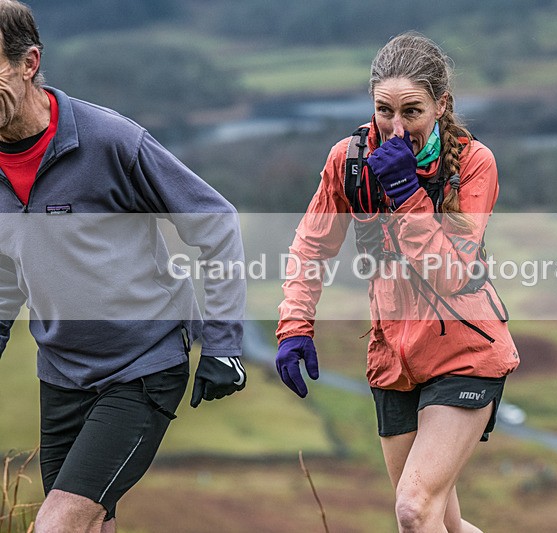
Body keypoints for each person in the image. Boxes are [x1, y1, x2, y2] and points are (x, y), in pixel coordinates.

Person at [0, 2, 247, 532]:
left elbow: (216, 222)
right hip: (61, 374)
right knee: (90, 525)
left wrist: (224, 345)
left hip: (140, 368)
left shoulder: (109, 141)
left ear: (28, 62)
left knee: (56, 525)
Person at [275, 32, 518, 532]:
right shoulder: (348, 161)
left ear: (441, 105)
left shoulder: (474, 164)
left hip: (467, 352)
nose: (395, 126)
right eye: (385, 110)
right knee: (442, 522)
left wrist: (408, 191)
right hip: (393, 360)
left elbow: (451, 275)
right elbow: (311, 246)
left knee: (412, 509)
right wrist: (294, 326)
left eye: (412, 111)